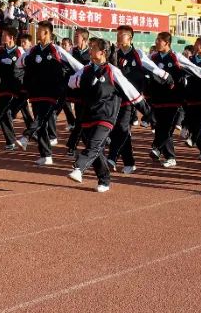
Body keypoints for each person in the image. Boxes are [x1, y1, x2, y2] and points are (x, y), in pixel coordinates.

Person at [66, 38, 146, 192]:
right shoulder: (86, 69)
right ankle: (104, 179)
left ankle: (79, 168)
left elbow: (131, 91)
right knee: (96, 150)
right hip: (88, 115)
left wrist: (147, 112)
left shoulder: (112, 71)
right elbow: (71, 82)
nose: (90, 50)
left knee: (94, 145)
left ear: (103, 52)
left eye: (94, 48)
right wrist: (85, 80)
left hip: (106, 116)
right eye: (90, 47)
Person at [17, 21, 84, 165]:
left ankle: (26, 136)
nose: (37, 33)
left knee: (40, 118)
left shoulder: (56, 50)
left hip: (52, 93)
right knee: (41, 123)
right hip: (35, 92)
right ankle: (46, 155)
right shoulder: (33, 50)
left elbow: (78, 66)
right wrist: (28, 60)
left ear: (47, 33)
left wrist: (78, 80)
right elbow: (19, 63)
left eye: (39, 30)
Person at [106, 24, 167, 174]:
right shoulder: (114, 53)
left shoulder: (137, 53)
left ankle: (112, 158)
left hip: (131, 97)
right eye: (118, 34)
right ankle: (129, 162)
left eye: (122, 34)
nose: (119, 37)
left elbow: (152, 67)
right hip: (115, 97)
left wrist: (166, 76)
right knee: (119, 129)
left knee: (122, 127)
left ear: (130, 38)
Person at [146, 32, 201, 168]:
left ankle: (164, 153)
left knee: (167, 126)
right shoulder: (153, 57)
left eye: (159, 40)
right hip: (157, 98)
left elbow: (192, 68)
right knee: (160, 126)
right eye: (156, 40)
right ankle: (161, 151)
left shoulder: (176, 56)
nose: (156, 42)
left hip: (173, 98)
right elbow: (145, 66)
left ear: (167, 43)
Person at [63, 29, 92, 157]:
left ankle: (80, 145)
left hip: (88, 91)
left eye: (77, 36)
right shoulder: (71, 52)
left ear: (84, 39)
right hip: (75, 91)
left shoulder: (91, 53)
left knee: (84, 119)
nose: (74, 38)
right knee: (81, 119)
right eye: (74, 36)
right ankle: (76, 146)